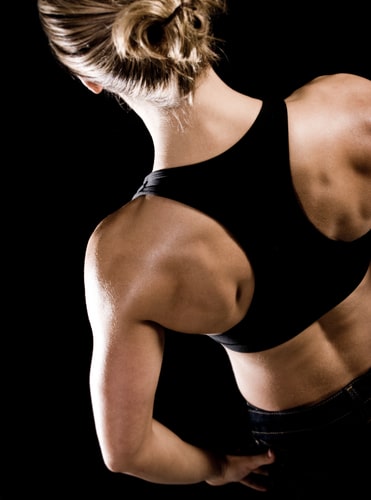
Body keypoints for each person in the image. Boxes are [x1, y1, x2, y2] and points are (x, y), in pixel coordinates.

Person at [37, 0, 371, 497]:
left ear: (90, 78)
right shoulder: (347, 107)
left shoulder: (126, 255)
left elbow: (126, 450)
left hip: (310, 448)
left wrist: (214, 466)